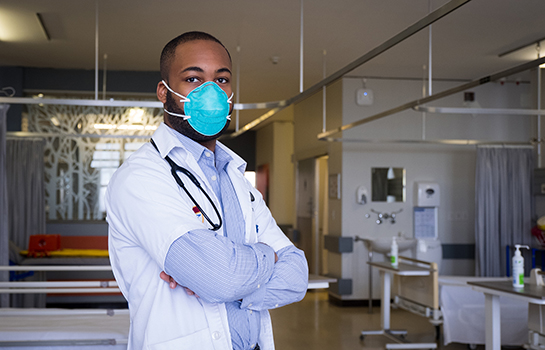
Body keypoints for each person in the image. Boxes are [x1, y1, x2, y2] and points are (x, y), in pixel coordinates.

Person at [106, 31, 309, 350]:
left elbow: (296, 277)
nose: (211, 91)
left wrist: (227, 279)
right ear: (164, 91)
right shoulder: (141, 176)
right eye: (193, 78)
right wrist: (266, 256)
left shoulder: (237, 179)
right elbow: (221, 278)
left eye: (222, 79)